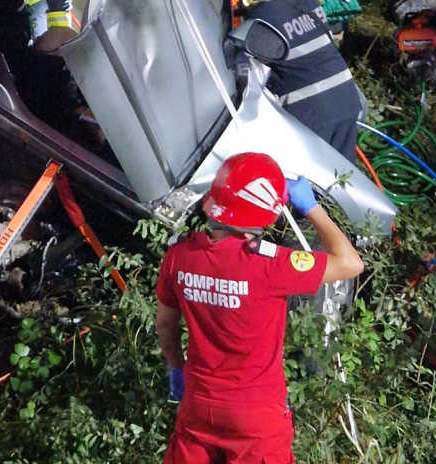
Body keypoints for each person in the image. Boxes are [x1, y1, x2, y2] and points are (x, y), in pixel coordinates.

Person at [156, 152, 364, 464]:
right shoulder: (270, 264)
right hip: (256, 416)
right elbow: (350, 263)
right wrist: (312, 208)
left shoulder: (180, 254)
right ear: (269, 211)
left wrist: (176, 369)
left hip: (198, 405)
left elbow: (165, 325)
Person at [233, 0, 364, 162]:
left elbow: (239, 53)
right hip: (346, 99)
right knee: (343, 179)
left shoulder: (263, 19)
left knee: (310, 180)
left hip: (313, 113)